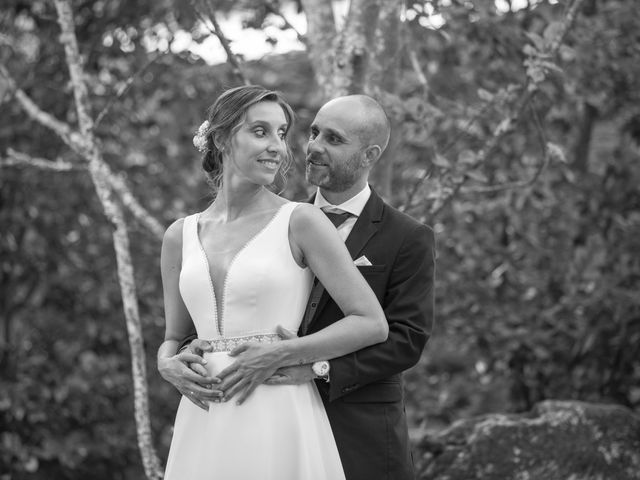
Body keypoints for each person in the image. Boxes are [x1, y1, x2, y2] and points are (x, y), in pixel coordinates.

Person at [166, 94, 436, 480]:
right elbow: (229, 310)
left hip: (359, 424)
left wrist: (313, 367)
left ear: (369, 155)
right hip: (239, 403)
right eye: (313, 133)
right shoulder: (283, 220)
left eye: (334, 139)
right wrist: (179, 354)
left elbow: (405, 339)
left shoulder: (406, 237)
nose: (313, 147)